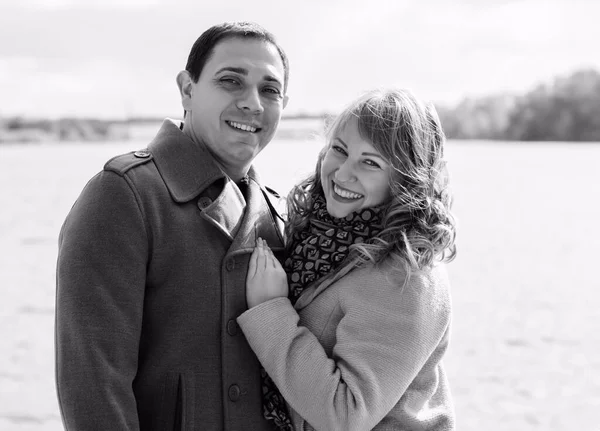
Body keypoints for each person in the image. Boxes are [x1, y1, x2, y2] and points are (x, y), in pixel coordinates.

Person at [55, 22, 289, 430]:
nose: (252, 103)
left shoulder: (279, 213)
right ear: (187, 89)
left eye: (269, 90)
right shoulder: (124, 196)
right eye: (231, 81)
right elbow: (94, 386)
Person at [240, 88, 457, 430]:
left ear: (406, 179)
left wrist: (270, 310)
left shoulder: (405, 275)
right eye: (339, 150)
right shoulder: (321, 233)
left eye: (370, 162)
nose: (342, 173)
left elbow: (346, 415)